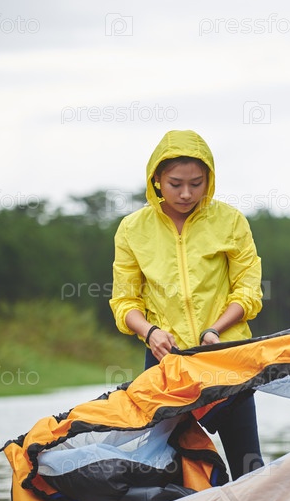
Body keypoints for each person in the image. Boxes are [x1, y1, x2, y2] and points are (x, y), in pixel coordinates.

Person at [109, 129, 265, 480]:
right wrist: (150, 332)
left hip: (225, 355)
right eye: (175, 183)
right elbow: (125, 300)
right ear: (156, 180)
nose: (185, 194)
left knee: (248, 464)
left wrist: (215, 330)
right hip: (167, 362)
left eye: (196, 183)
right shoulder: (132, 229)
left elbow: (248, 291)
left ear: (209, 179)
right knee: (171, 470)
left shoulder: (231, 222)